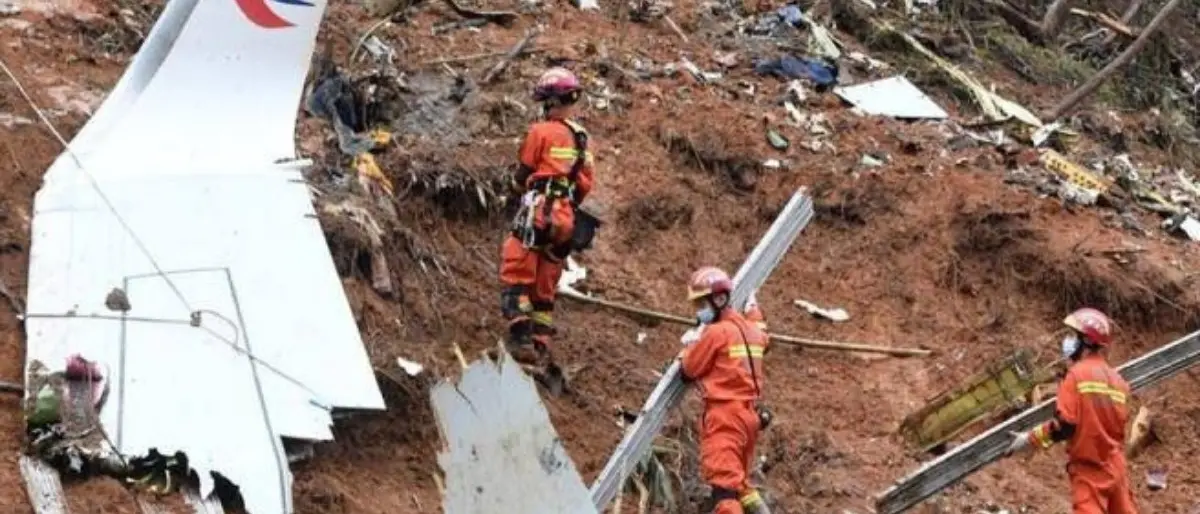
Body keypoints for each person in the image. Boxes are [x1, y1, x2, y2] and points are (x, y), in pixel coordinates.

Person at [499, 67, 595, 367]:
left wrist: (512, 194)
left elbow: (524, 171)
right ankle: (541, 344)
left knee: (517, 262)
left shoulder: (540, 131)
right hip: (566, 216)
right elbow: (584, 183)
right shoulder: (582, 139)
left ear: (550, 101)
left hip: (539, 208)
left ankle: (521, 336)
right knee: (546, 277)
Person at [1006, 307, 1138, 514]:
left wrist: (1031, 439)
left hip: (1090, 468)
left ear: (1085, 341)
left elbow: (1065, 425)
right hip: (1115, 467)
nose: (1067, 341)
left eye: (1072, 336)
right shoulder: (1119, 382)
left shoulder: (1076, 376)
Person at [678, 266, 772, 514]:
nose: (699, 310)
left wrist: (691, 345)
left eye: (701, 303)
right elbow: (763, 335)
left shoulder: (716, 333)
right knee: (740, 483)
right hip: (749, 419)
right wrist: (753, 309)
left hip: (724, 420)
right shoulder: (751, 331)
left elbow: (688, 371)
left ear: (719, 299)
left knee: (724, 491)